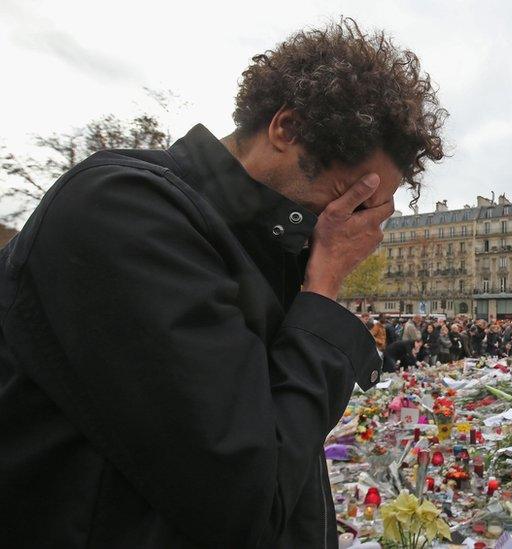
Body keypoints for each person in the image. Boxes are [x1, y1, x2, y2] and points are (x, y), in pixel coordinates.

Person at [0, 19, 445, 549]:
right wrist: (323, 288)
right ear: (287, 128)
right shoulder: (123, 211)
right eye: (356, 194)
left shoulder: (266, 248)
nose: (363, 225)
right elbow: (247, 496)